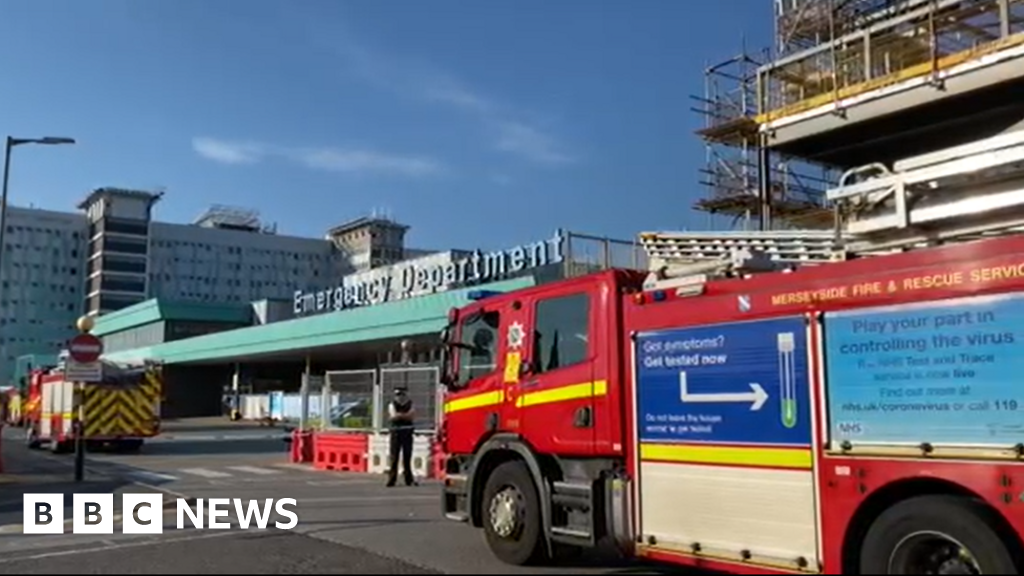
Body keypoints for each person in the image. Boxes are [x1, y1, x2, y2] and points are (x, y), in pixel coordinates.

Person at [386, 386, 417, 487]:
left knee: (407, 457)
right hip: (395, 433)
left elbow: (411, 415)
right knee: (394, 457)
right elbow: (394, 416)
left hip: (407, 433)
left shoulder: (410, 404)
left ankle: (409, 479)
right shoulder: (392, 404)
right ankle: (392, 479)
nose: (400, 397)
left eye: (402, 394)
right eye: (398, 394)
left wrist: (400, 416)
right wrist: (404, 416)